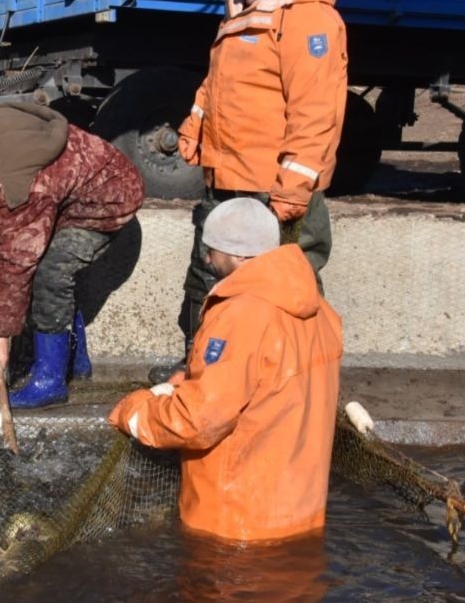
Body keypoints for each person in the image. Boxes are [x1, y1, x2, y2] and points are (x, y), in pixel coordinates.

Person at [153, 0, 348, 383]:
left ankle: (298, 379)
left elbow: (316, 112)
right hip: (226, 179)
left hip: (273, 186)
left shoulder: (310, 21)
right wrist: (195, 123)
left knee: (288, 285)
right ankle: (204, 371)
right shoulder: (243, 14)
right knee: (207, 276)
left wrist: (294, 190)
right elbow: (216, 83)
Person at [109, 198, 343, 542]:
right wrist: (187, 381)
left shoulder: (239, 315)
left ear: (236, 256)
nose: (206, 258)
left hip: (234, 520)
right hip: (300, 514)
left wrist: (135, 413)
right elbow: (265, 386)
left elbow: (198, 421)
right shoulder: (320, 309)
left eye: (212, 249)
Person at [0, 103, 144, 408]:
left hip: (107, 201)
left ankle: (50, 381)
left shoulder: (21, 182)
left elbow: (17, 261)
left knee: (49, 272)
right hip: (73, 185)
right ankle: (76, 363)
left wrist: (1, 336)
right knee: (41, 261)